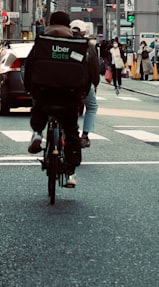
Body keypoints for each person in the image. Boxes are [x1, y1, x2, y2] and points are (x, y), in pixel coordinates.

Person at [25, 12, 94, 187]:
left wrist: (30, 89)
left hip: (45, 92)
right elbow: (87, 71)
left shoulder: (42, 42)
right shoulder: (76, 45)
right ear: (68, 26)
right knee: (71, 131)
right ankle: (71, 173)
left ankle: (38, 133)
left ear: (50, 24)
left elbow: (30, 67)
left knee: (40, 110)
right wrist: (83, 92)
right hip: (69, 95)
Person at [70, 20, 100, 148]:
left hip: (59, 84)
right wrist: (94, 83)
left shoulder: (62, 42)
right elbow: (94, 68)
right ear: (83, 32)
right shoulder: (89, 46)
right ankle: (85, 135)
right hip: (83, 85)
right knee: (92, 106)